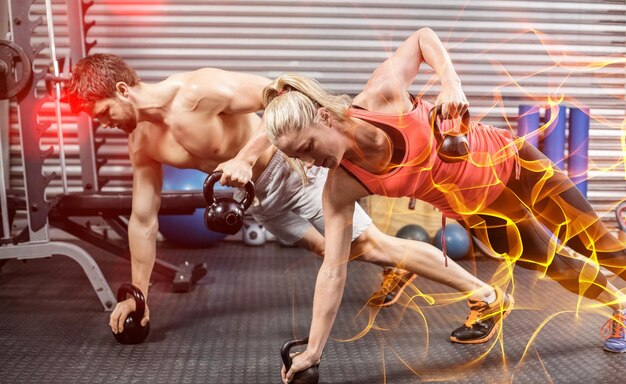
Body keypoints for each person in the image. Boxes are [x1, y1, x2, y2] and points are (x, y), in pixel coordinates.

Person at [262, 27, 626, 384]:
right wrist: (312, 351)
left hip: (515, 166)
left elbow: (422, 37)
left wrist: (451, 82)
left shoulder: (381, 97)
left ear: (324, 118)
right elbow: (332, 271)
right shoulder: (340, 188)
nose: (309, 162)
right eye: (298, 157)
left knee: (600, 247)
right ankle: (619, 308)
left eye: (308, 147)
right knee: (559, 266)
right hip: (482, 213)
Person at [66, 54, 508, 347]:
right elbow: (143, 221)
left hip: (294, 171)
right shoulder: (141, 142)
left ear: (122, 91)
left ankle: (486, 295)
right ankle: (397, 265)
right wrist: (138, 296)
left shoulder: (197, 91)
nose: (105, 124)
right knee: (332, 251)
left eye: (103, 113)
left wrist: (244, 155)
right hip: (261, 202)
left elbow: (284, 96)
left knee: (369, 246)